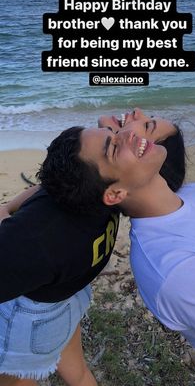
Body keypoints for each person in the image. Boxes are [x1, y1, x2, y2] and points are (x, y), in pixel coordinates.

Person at [0, 109, 182, 386]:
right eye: (113, 136)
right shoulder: (105, 198)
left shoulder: (38, 237)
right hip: (67, 300)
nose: (126, 133)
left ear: (114, 194)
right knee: (79, 373)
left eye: (111, 143)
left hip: (32, 324)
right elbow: (45, 188)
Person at [59, 124, 195, 386]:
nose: (129, 133)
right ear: (116, 193)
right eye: (114, 147)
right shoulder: (172, 269)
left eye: (113, 132)